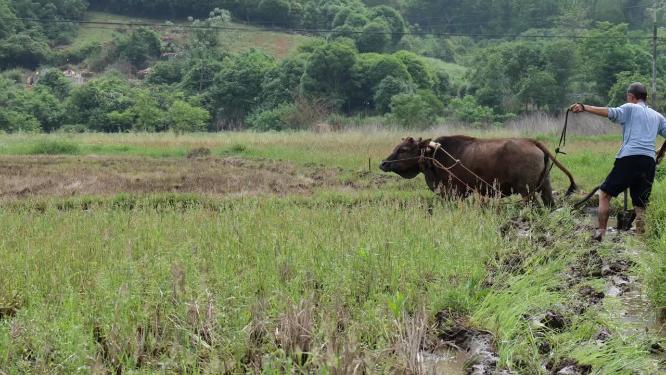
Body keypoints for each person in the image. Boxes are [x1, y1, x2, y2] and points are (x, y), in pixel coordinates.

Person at [570, 82, 666, 241]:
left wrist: (584, 107)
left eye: (628, 97)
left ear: (632, 97)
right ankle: (640, 242)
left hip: (629, 157)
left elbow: (611, 112)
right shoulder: (657, 116)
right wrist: (660, 152)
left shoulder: (630, 108)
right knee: (641, 204)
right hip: (648, 161)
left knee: (605, 195)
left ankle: (601, 233)